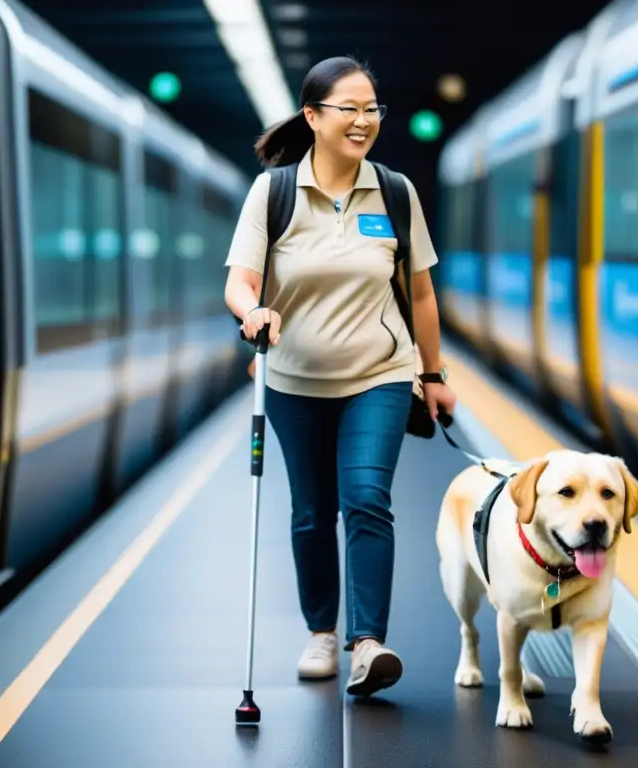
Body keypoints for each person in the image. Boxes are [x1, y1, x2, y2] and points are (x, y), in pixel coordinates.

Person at [222, 55, 457, 697]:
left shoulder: (395, 192)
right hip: (294, 382)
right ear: (312, 116)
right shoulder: (272, 193)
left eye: (371, 108)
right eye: (348, 108)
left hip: (378, 377)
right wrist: (255, 311)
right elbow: (240, 282)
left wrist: (431, 374)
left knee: (365, 500)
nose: (363, 120)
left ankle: (367, 644)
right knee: (310, 512)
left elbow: (423, 294)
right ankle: (321, 632)